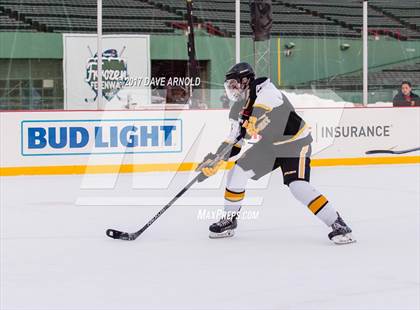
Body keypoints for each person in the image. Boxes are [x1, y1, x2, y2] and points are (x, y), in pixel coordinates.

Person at [197, 62, 355, 244]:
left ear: (246, 80)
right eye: (229, 86)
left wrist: (252, 118)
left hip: (294, 143)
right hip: (269, 146)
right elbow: (235, 140)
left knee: (298, 187)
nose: (232, 89)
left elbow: (264, 108)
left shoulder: (266, 89)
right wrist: (216, 159)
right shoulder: (237, 109)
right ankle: (229, 221)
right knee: (236, 172)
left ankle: (338, 224)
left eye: (234, 84)